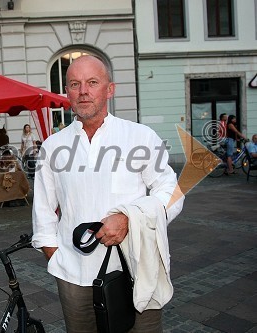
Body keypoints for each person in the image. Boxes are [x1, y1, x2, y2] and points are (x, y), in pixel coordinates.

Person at [32, 55, 184, 333]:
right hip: (74, 275)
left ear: (109, 89)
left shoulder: (140, 137)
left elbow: (172, 192)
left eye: (92, 82)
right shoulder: (53, 147)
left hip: (138, 269)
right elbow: (43, 211)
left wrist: (130, 219)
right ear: (67, 92)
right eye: (75, 84)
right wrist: (54, 255)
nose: (83, 91)